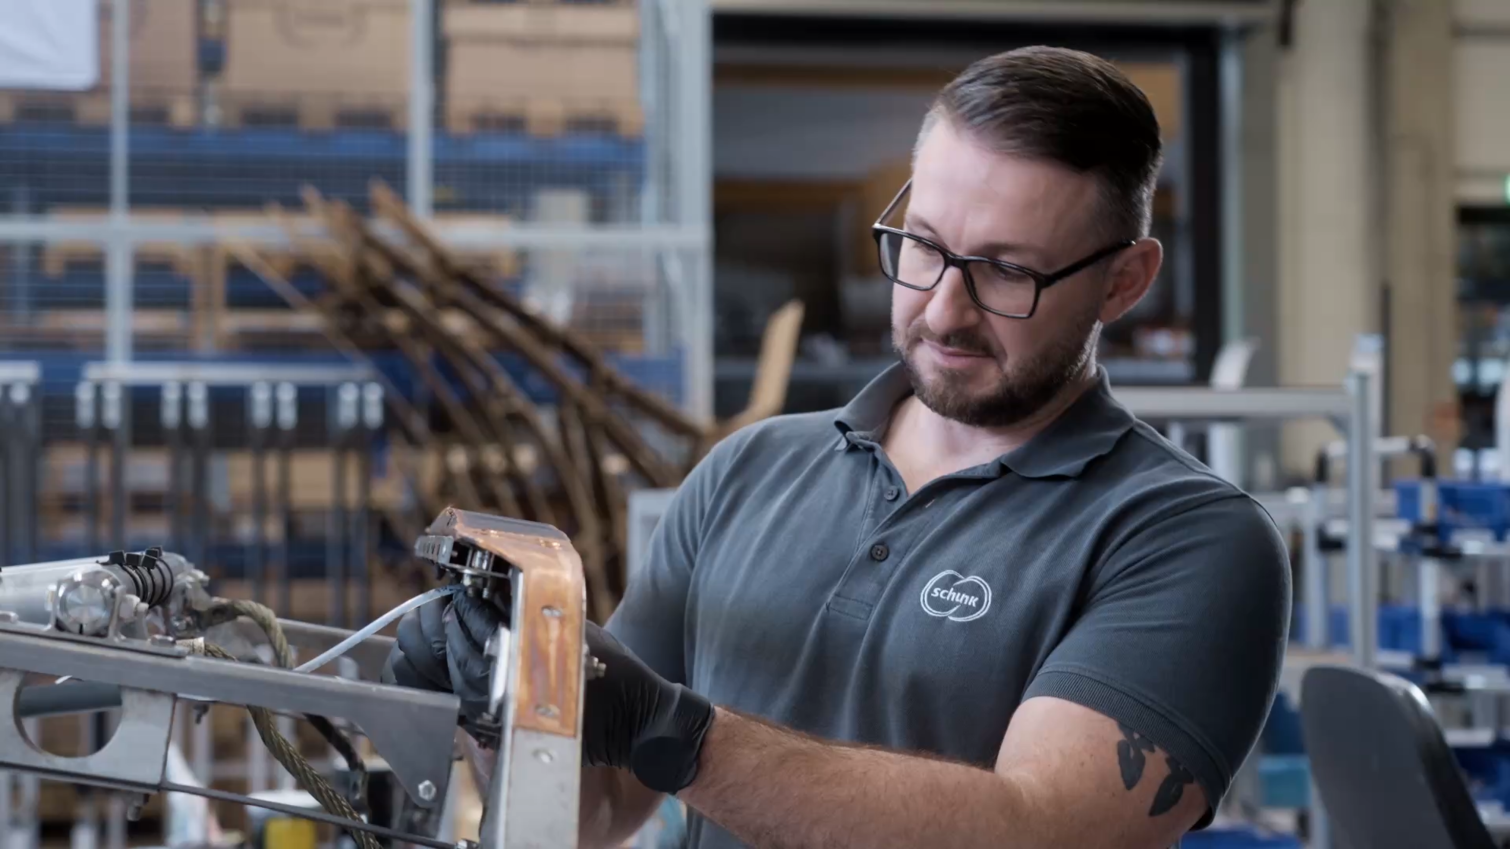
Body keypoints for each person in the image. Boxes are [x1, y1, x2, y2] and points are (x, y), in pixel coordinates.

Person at [387, 45, 1292, 849]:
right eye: (925, 248)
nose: (942, 308)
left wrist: (679, 732)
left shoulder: (1187, 541)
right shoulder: (751, 471)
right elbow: (596, 811)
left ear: (1123, 282)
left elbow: (1041, 830)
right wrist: (499, 707)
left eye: (1007, 272)